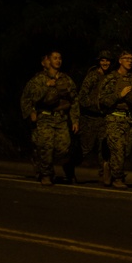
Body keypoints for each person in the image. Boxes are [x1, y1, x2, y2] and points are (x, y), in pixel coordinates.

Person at [20, 49, 80, 186]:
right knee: (46, 147)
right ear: (48, 61)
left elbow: (74, 100)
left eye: (60, 58)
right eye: (55, 58)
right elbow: (30, 97)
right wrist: (46, 87)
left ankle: (43, 163)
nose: (58, 60)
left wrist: (75, 119)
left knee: (63, 149)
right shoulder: (39, 79)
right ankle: (46, 174)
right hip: (44, 118)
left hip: (61, 119)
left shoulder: (66, 79)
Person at [99, 50, 132, 189]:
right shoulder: (111, 78)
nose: (130, 61)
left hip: (129, 119)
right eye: (126, 58)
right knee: (118, 149)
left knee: (126, 151)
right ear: (120, 60)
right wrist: (119, 95)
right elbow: (102, 99)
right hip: (114, 118)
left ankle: (109, 166)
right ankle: (117, 178)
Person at [76, 49, 113, 184]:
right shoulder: (92, 76)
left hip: (104, 118)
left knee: (104, 148)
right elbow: (82, 97)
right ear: (99, 62)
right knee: (85, 148)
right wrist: (95, 105)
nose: (105, 63)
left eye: (107, 60)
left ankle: (104, 174)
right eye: (102, 60)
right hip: (90, 118)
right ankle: (70, 165)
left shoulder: (110, 77)